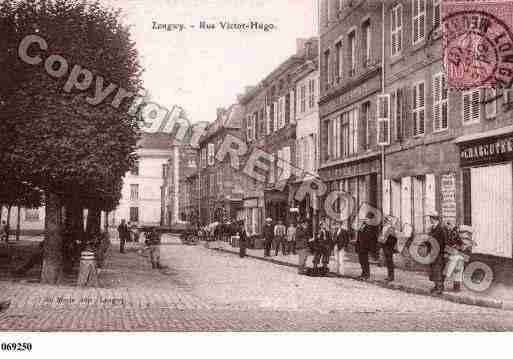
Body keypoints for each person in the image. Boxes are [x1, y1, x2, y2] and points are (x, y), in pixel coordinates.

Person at [427, 211, 449, 294]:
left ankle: (440, 288)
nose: (430, 220)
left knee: (438, 270)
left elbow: (445, 241)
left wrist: (444, 253)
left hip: (439, 253)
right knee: (433, 270)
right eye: (430, 218)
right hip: (433, 252)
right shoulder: (432, 228)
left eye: (431, 218)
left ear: (435, 219)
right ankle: (436, 286)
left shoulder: (441, 228)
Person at [356, 212, 379, 281]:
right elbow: (359, 235)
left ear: (371, 220)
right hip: (360, 246)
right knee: (361, 261)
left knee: (365, 261)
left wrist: (371, 247)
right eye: (366, 218)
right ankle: (363, 273)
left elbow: (372, 237)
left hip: (365, 246)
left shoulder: (371, 227)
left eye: (368, 218)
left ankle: (366, 274)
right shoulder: (363, 225)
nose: (366, 219)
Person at [380, 215, 399, 282]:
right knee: (388, 262)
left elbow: (394, 239)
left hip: (389, 247)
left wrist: (386, 242)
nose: (386, 221)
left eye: (388, 220)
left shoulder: (391, 229)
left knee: (390, 262)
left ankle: (391, 277)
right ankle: (389, 276)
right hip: (385, 246)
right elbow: (381, 236)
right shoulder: (384, 228)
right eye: (386, 220)